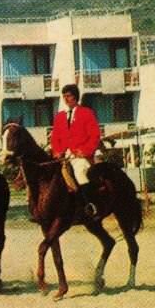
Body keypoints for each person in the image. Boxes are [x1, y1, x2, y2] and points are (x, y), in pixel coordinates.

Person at [50, 84, 101, 218]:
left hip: (80, 155)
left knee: (80, 173)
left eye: (69, 96)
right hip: (63, 156)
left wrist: (84, 151)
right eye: (64, 97)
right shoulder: (60, 116)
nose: (66, 99)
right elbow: (55, 137)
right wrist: (57, 151)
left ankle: (90, 205)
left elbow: (94, 135)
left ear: (75, 97)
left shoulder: (86, 113)